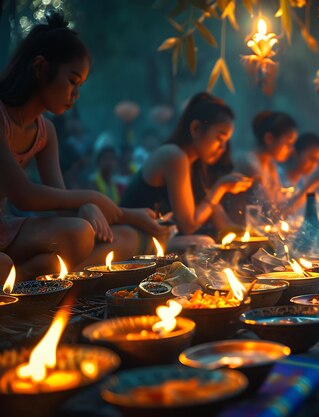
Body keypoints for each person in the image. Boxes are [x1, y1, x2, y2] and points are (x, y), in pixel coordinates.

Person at [0, 10, 166, 279]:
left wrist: (85, 208)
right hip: (7, 232)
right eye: (72, 81)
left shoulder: (46, 132)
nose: (75, 94)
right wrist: (91, 198)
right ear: (41, 68)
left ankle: (15, 277)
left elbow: (58, 200)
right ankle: (17, 275)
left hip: (7, 232)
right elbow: (24, 194)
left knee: (80, 234)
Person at [121, 93, 252, 252]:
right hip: (131, 240)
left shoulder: (194, 165)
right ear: (195, 129)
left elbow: (219, 218)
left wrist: (251, 235)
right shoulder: (174, 156)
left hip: (155, 240)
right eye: (219, 138)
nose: (223, 148)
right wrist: (221, 187)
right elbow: (188, 225)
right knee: (204, 243)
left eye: (226, 141)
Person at [234, 111, 298, 220]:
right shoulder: (249, 163)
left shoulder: (270, 165)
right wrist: (311, 186)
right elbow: (271, 211)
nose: (291, 150)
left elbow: (281, 204)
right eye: (288, 143)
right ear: (269, 138)